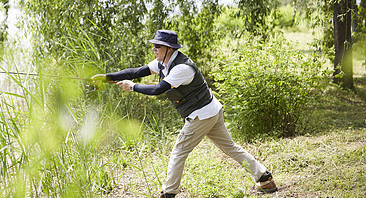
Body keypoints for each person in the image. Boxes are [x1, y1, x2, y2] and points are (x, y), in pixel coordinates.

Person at [92, 30, 277, 197]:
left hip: (202, 115)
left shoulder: (182, 68)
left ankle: (168, 193)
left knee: (178, 152)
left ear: (169, 49)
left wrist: (132, 87)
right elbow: (136, 71)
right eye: (154, 45)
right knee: (230, 147)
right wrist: (106, 77)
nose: (154, 48)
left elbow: (158, 89)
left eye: (158, 46)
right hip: (211, 110)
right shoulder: (164, 62)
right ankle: (264, 178)